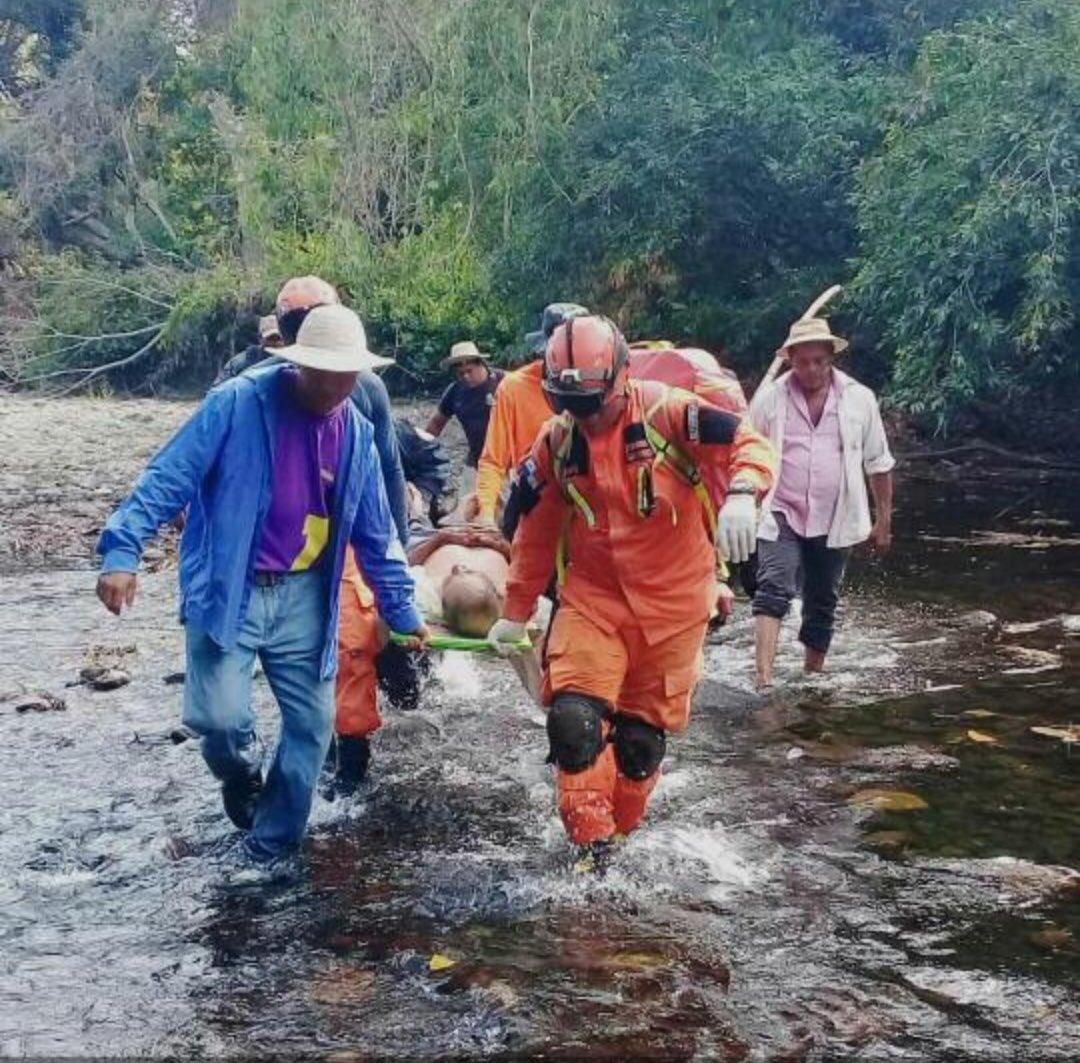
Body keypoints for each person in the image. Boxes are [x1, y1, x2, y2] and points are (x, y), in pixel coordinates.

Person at [96, 303, 429, 862]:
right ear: (298, 364)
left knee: (313, 728)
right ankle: (242, 775)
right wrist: (122, 550)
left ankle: (270, 849)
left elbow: (376, 534)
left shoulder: (355, 431)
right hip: (233, 586)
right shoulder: (236, 404)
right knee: (219, 723)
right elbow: (168, 476)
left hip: (306, 594)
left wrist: (401, 610)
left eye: (348, 375)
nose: (336, 387)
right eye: (325, 373)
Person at [487, 316, 775, 865]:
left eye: (592, 404)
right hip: (593, 602)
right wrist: (515, 609)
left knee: (640, 747)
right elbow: (536, 533)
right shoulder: (557, 443)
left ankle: (618, 840)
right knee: (573, 723)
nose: (585, 417)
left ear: (620, 378)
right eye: (572, 405)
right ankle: (590, 854)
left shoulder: (672, 413)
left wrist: (743, 491)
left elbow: (749, 441)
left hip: (675, 610)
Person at [748, 312, 895, 690]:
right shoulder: (770, 399)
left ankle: (813, 674)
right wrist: (739, 504)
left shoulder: (859, 399)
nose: (811, 370)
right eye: (803, 362)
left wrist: (883, 522)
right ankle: (763, 680)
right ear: (790, 361)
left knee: (822, 598)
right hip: (781, 508)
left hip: (836, 514)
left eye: (819, 361)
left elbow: (879, 463)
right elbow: (747, 453)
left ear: (831, 358)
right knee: (773, 587)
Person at [473, 303, 588, 527]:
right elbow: (493, 459)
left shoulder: (600, 387)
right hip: (535, 502)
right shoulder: (514, 388)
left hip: (587, 506)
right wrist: (485, 514)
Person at [425, 341, 505, 504]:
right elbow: (436, 424)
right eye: (461, 373)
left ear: (480, 364)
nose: (466, 377)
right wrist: (421, 447)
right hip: (476, 460)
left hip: (507, 462)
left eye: (469, 371)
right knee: (466, 509)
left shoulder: (503, 383)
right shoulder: (455, 391)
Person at [214, 314, 283, 383]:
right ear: (260, 338)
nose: (275, 343)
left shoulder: (287, 360)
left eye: (278, 339)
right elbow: (219, 384)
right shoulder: (243, 361)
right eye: (270, 339)